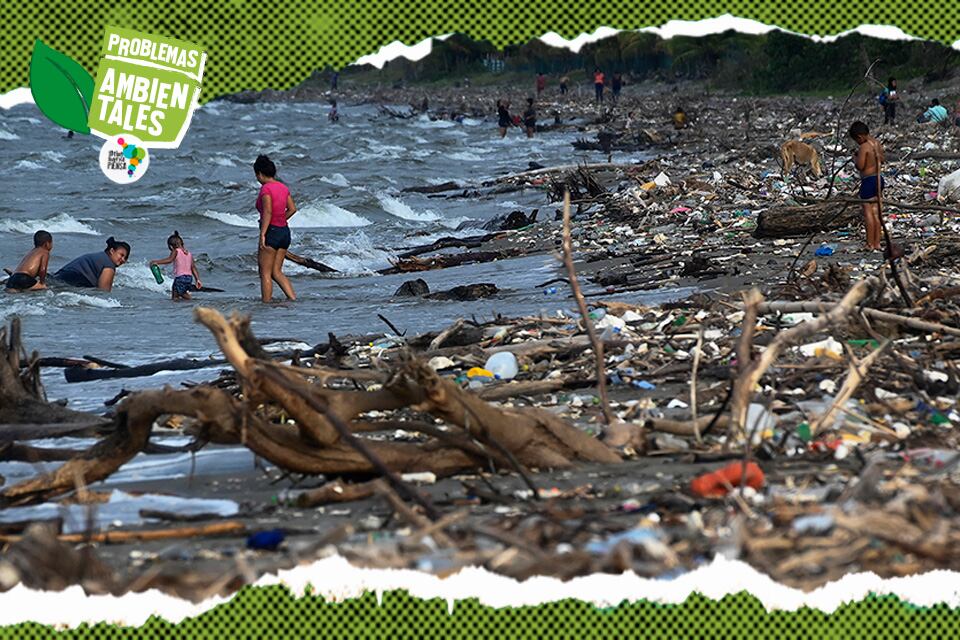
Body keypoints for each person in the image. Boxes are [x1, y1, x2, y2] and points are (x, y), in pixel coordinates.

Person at [254, 154, 298, 302]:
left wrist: (263, 234)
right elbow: (292, 209)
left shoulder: (266, 189)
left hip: (271, 232)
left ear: (260, 173)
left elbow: (268, 211)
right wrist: (280, 220)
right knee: (276, 271)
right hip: (284, 232)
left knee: (265, 273)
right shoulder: (283, 187)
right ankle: (293, 299)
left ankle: (266, 304)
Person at [849, 121, 885, 251]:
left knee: (868, 213)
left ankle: (869, 244)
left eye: (857, 140)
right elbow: (882, 160)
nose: (858, 143)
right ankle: (877, 243)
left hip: (868, 181)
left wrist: (855, 158)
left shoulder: (864, 147)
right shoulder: (877, 143)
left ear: (860, 136)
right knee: (876, 212)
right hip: (879, 179)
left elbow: (861, 166)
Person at [55, 237, 129, 291]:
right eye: (121, 255)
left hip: (61, 275)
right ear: (112, 251)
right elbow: (103, 292)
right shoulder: (109, 265)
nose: (123, 260)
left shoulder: (99, 256)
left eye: (125, 258)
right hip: (74, 280)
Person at [149, 231, 202, 300]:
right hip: (189, 278)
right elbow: (193, 267)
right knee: (175, 295)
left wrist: (156, 262)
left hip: (180, 278)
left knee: (181, 293)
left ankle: (192, 300)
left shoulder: (176, 251)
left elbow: (170, 260)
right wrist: (197, 279)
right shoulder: (189, 254)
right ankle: (178, 305)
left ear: (171, 246)